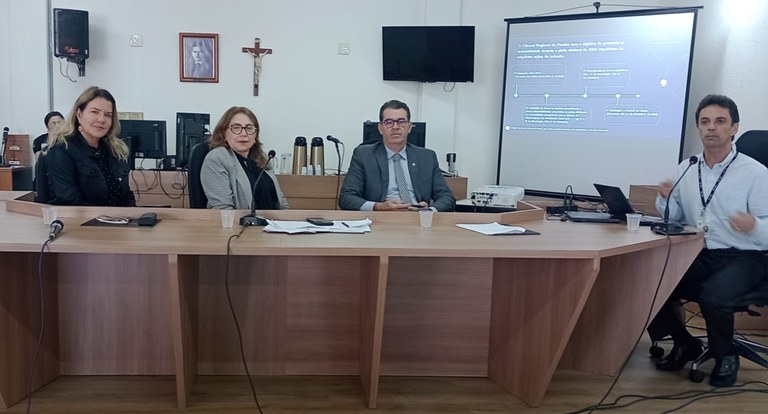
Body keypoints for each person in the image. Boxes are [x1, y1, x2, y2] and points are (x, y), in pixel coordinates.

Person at [647, 94, 768, 387]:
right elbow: (673, 217)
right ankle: (684, 342)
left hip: (745, 256)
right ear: (698, 129)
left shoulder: (756, 173)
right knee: (652, 280)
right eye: (705, 122)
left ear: (734, 127)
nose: (711, 127)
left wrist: (753, 225)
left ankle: (726, 356)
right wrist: (664, 199)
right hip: (700, 251)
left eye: (719, 121)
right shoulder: (687, 167)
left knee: (715, 294)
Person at [338, 100, 455, 212]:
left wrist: (429, 211)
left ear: (409, 127)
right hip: (381, 219)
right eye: (389, 122)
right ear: (380, 128)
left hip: (418, 219)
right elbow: (346, 198)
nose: (395, 127)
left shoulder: (427, 157)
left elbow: (447, 197)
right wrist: (378, 207)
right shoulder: (364, 155)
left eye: (401, 121)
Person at [45, 86, 136, 206]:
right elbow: (69, 199)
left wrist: (135, 218)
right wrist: (110, 219)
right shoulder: (62, 149)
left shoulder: (114, 149)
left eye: (108, 115)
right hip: (83, 222)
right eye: (94, 112)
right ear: (79, 114)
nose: (101, 119)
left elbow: (126, 194)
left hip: (119, 221)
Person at [200, 106, 288, 210]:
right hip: (241, 224)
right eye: (236, 128)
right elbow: (223, 209)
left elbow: (281, 202)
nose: (244, 133)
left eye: (249, 128)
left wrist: (287, 222)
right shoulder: (217, 158)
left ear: (255, 135)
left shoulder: (262, 157)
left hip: (274, 224)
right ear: (223, 134)